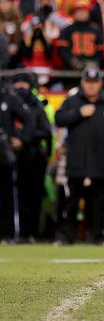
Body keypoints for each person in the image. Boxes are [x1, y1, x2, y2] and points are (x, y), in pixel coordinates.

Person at [54, 67, 104, 244]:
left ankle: (98, 236)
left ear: (100, 84)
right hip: (77, 162)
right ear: (82, 83)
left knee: (99, 203)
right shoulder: (72, 102)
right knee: (71, 202)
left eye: (95, 83)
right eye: (88, 82)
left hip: (102, 164)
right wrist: (79, 113)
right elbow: (59, 119)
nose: (91, 86)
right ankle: (66, 236)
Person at [11, 72, 52, 243]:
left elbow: (46, 132)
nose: (20, 87)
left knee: (33, 197)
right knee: (15, 197)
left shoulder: (37, 106)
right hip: (11, 156)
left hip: (33, 157)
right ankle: (16, 232)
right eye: (17, 83)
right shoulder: (8, 103)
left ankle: (33, 232)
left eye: (24, 83)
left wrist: (24, 137)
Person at [0, 70, 34, 244]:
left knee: (6, 195)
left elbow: (29, 119)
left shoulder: (9, 97)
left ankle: (7, 233)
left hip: (3, 155)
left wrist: (22, 139)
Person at [57, 0, 104, 71]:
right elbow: (62, 49)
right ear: (74, 13)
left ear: (88, 12)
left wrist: (96, 61)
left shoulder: (95, 30)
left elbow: (101, 49)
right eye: (78, 10)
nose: (81, 13)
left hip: (91, 69)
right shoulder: (68, 30)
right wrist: (71, 60)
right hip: (71, 70)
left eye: (83, 10)